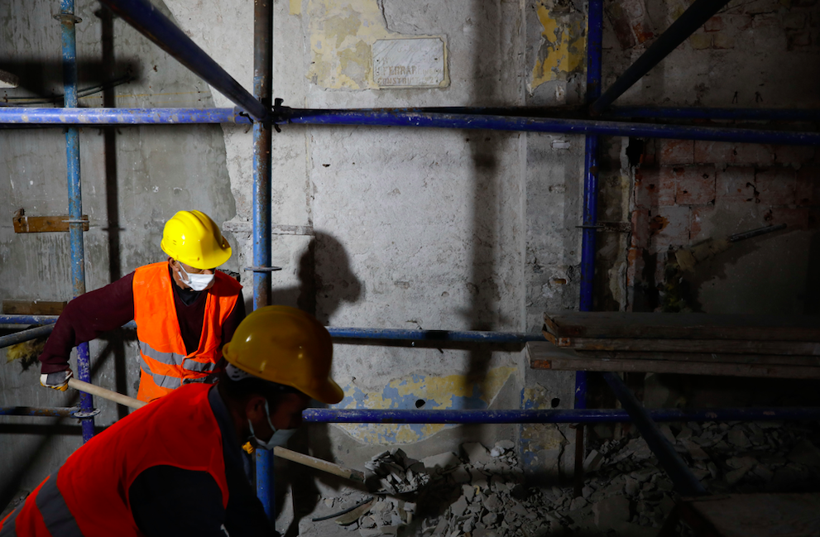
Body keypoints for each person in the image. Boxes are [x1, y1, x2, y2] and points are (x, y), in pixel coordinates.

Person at [1, 306, 344, 536]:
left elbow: (241, 508)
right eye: (295, 413)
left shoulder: (202, 404)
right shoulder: (187, 473)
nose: (297, 424)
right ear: (257, 406)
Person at [38, 210, 245, 402]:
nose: (208, 274)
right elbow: (80, 313)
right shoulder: (143, 285)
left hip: (206, 406)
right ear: (174, 262)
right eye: (199, 268)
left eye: (212, 266)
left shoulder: (230, 294)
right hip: (155, 407)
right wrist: (53, 362)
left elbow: (236, 360)